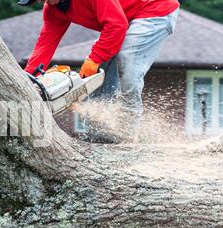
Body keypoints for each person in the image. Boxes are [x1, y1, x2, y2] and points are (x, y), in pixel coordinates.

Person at [19, 0, 180, 143]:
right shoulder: (53, 9)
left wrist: (94, 59)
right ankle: (99, 130)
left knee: (127, 60)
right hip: (126, 19)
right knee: (96, 75)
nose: (42, 1)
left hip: (155, 10)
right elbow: (45, 44)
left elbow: (116, 25)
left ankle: (127, 132)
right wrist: (27, 80)